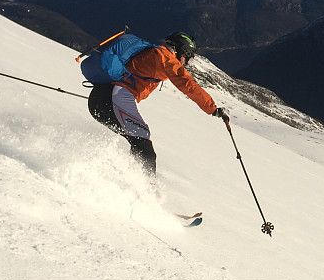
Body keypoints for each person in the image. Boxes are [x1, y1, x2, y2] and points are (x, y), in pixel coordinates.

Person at [87, 31, 229, 175]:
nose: (186, 64)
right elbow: (187, 84)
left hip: (102, 99)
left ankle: (124, 178)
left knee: (140, 142)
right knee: (143, 143)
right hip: (113, 98)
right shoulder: (165, 58)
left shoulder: (153, 53)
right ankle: (144, 188)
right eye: (188, 59)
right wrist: (213, 109)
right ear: (182, 51)